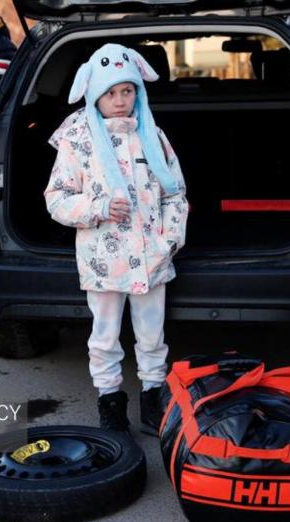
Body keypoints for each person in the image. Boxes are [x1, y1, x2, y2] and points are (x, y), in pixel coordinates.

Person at [44, 44, 188, 434]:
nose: (121, 101)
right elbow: (56, 198)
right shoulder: (78, 141)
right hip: (104, 261)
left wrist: (169, 240)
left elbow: (175, 193)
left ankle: (153, 397)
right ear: (94, 94)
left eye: (128, 91)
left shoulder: (151, 135)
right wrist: (99, 206)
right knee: (105, 336)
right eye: (111, 93)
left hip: (151, 256)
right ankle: (111, 403)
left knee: (152, 334)